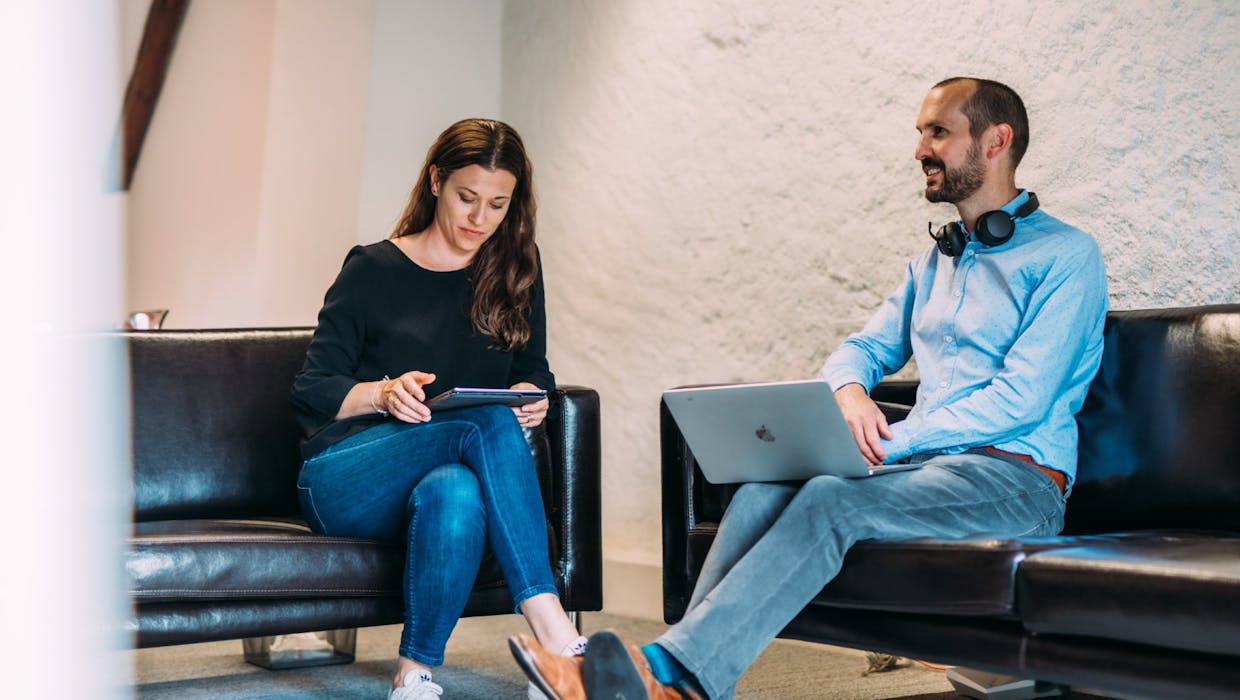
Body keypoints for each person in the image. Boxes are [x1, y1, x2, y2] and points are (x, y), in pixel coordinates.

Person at [508, 77, 1108, 700]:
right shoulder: (936, 262)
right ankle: (680, 679)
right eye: (920, 133)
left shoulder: (1067, 258)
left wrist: (891, 441)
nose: (919, 149)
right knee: (762, 490)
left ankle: (660, 675)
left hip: (1015, 483)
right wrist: (847, 392)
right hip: (923, 472)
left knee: (829, 498)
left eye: (938, 132)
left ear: (995, 141)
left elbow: (1022, 399)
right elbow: (863, 349)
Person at [291, 118, 585, 700]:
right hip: (347, 477)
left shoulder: (517, 272)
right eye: (466, 198)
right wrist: (380, 393)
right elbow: (312, 388)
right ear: (435, 182)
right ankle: (554, 632)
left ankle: (414, 674)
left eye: (497, 205)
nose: (479, 219)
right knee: (484, 420)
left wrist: (534, 399)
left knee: (455, 488)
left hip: (445, 471)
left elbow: (534, 369)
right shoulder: (372, 269)